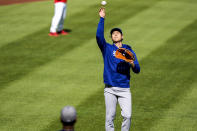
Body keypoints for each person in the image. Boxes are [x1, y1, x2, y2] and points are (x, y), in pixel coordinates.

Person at [96, 8, 140, 131]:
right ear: (111, 37)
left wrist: (131, 63)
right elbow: (99, 36)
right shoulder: (107, 49)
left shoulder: (128, 50)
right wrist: (102, 19)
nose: (115, 34)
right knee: (110, 117)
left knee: (128, 115)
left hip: (124, 89)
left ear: (122, 36)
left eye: (118, 33)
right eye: (113, 33)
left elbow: (137, 70)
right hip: (110, 89)